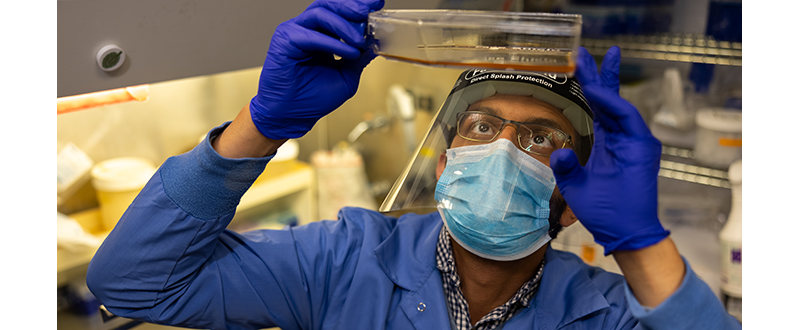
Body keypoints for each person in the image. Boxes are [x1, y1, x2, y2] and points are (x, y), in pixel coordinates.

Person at [86, 0, 741, 329]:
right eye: (483, 126)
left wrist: (643, 244)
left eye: (540, 137)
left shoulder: (602, 312)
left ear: (572, 199)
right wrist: (259, 126)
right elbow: (133, 283)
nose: (504, 148)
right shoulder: (341, 261)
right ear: (447, 158)